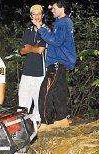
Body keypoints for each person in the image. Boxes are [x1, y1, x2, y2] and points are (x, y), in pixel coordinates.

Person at [32, 0, 76, 131]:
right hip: (60, 61)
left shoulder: (63, 22)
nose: (52, 10)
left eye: (54, 8)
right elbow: (56, 39)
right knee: (59, 91)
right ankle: (62, 119)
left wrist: (40, 28)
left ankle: (46, 122)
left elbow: (56, 41)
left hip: (58, 61)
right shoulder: (61, 22)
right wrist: (42, 27)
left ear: (62, 8)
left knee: (45, 91)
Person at [19, 4, 47, 122]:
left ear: (42, 15)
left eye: (39, 14)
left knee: (38, 100)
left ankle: (37, 123)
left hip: (40, 71)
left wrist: (29, 47)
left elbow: (40, 50)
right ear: (31, 16)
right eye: (34, 14)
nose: (36, 16)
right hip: (27, 71)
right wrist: (32, 48)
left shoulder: (46, 30)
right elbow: (21, 51)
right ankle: (21, 122)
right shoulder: (28, 31)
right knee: (23, 99)